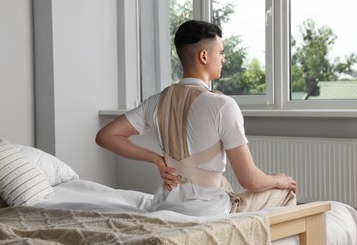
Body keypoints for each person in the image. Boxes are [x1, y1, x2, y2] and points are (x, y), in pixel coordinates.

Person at [96, 20, 296, 216]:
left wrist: (157, 159)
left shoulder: (155, 101)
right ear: (204, 56)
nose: (223, 59)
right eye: (220, 52)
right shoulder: (222, 105)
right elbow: (250, 180)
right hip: (208, 210)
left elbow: (106, 136)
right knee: (285, 192)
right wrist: (278, 180)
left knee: (224, 184)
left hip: (164, 206)